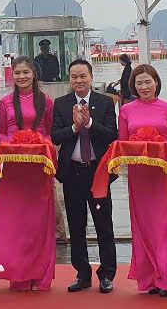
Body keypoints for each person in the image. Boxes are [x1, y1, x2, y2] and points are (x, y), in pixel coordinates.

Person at [118, 65, 167, 296]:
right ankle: (149, 277)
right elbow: (122, 143)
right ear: (134, 86)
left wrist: (165, 147)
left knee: (166, 224)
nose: (144, 87)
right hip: (139, 176)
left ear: (157, 83)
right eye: (139, 83)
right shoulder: (126, 110)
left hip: (163, 175)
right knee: (144, 225)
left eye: (148, 82)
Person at [0, 56, 56, 291]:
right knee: (14, 222)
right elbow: (0, 134)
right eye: (17, 73)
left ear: (34, 74)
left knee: (37, 223)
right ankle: (18, 272)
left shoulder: (46, 101)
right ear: (12, 75)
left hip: (37, 167)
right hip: (14, 169)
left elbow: (48, 131)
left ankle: (38, 273)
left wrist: (36, 141)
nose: (22, 77)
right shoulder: (5, 102)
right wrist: (16, 142)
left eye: (26, 72)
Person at [51, 60, 118, 293]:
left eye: (83, 76)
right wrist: (74, 128)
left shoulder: (105, 102)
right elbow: (55, 137)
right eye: (74, 77)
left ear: (91, 77)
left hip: (98, 172)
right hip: (73, 172)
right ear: (70, 79)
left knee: (104, 225)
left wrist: (88, 123)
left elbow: (112, 134)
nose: (79, 81)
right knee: (76, 225)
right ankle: (82, 273)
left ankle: (107, 274)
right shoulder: (61, 104)